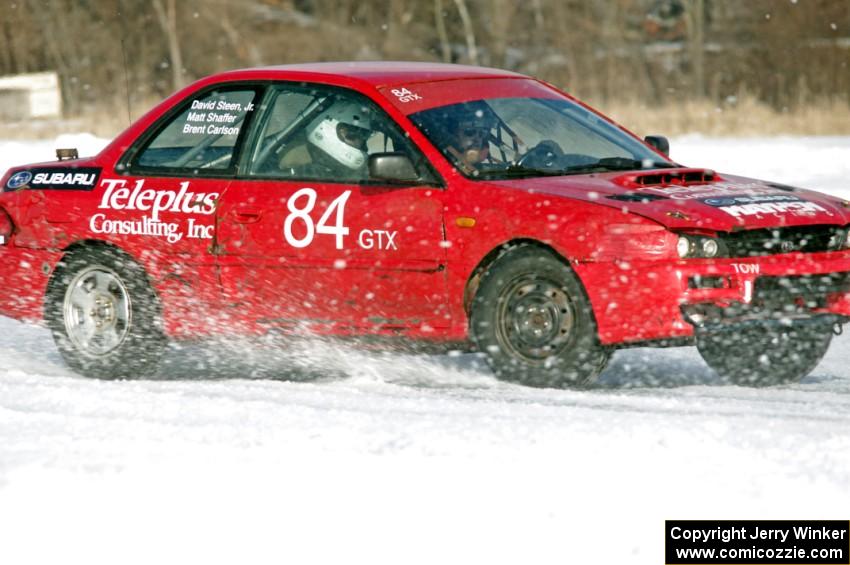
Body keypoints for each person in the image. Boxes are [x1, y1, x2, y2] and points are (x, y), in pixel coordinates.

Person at [279, 100, 374, 179]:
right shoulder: (296, 163)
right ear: (324, 128)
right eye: (353, 134)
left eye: (364, 135)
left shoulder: (337, 165)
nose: (359, 141)